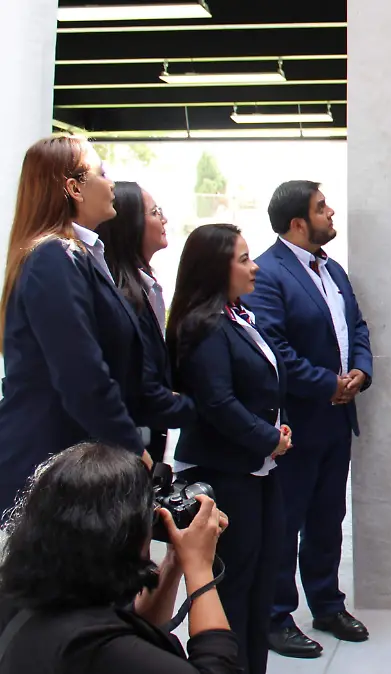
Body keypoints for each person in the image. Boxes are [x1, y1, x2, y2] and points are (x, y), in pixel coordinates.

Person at [243, 181, 372, 657]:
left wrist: (361, 371)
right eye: (322, 207)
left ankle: (327, 604)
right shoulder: (267, 273)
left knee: (327, 518)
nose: (331, 211)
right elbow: (274, 349)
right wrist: (327, 385)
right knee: (286, 522)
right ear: (298, 222)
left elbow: (355, 325)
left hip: (338, 421)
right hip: (294, 426)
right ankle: (277, 617)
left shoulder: (332, 269)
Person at [0, 135, 149, 514]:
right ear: (74, 188)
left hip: (70, 455)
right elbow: (80, 372)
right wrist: (131, 444)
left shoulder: (79, 254)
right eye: (102, 173)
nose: (112, 183)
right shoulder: (54, 256)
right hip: (51, 459)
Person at [167, 223, 292, 674]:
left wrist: (274, 433)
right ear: (216, 268)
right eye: (243, 259)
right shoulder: (203, 326)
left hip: (256, 471)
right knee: (234, 590)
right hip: (224, 475)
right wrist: (267, 438)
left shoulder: (237, 316)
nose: (254, 266)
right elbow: (217, 402)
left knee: (263, 583)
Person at [0, 442, 237, 673]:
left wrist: (175, 561)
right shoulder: (93, 646)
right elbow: (219, 666)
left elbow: (140, 627)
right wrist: (199, 567)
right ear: (121, 537)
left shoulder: (28, 597)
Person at [96, 182, 195, 463]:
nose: (163, 219)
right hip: (126, 451)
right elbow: (143, 388)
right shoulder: (120, 295)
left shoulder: (145, 285)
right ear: (130, 225)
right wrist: (200, 408)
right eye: (155, 212)